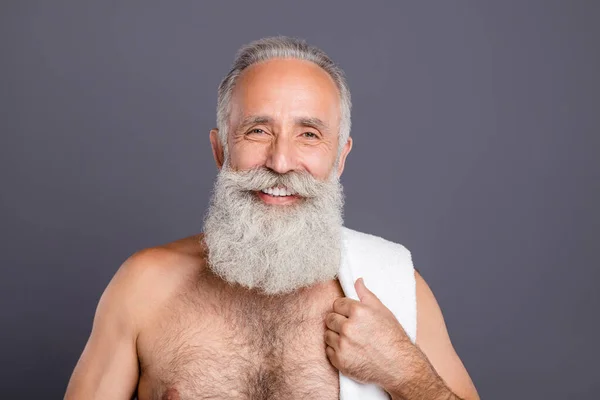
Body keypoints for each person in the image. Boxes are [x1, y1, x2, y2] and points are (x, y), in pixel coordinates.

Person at [65, 36, 479, 400]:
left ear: (339, 159)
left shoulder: (393, 285)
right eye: (258, 130)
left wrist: (406, 374)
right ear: (221, 149)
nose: (281, 162)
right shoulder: (144, 288)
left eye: (309, 134)